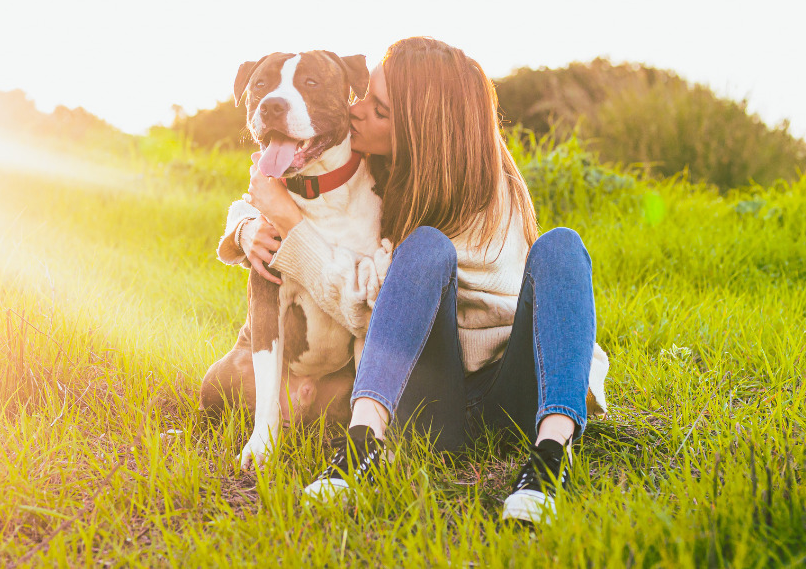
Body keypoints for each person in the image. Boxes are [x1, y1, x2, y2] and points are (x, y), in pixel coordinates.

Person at [224, 37, 606, 524]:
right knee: (425, 246)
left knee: (563, 245)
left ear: (419, 130)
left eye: (377, 108)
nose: (356, 110)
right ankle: (360, 450)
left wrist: (292, 231)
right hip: (428, 401)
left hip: (509, 394)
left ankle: (551, 458)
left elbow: (361, 308)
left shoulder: (483, 194)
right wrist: (247, 223)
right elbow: (298, 196)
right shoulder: (380, 170)